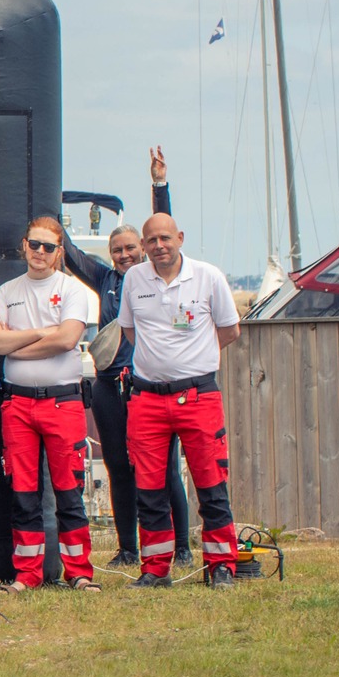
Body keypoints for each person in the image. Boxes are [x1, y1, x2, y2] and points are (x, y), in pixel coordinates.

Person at [63, 148, 186, 567]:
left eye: (131, 247)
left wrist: (159, 185)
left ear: (144, 249)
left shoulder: (151, 275)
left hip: (149, 385)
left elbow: (163, 226)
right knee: (118, 467)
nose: (124, 255)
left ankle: (182, 547)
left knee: (164, 468)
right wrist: (46, 202)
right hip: (109, 386)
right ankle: (128, 548)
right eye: (117, 250)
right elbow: (68, 251)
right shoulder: (104, 278)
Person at [118, 213, 242, 588]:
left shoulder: (208, 276)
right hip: (147, 398)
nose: (159, 246)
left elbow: (230, 330)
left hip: (198, 394)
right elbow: (130, 330)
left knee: (211, 482)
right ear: (144, 245)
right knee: (149, 488)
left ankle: (220, 565)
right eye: (152, 240)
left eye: (166, 238)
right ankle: (155, 568)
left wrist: (193, 359)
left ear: (180, 238)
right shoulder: (134, 279)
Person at [0, 216, 100, 592]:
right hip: (17, 404)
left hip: (62, 402)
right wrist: (39, 333)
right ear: (24, 245)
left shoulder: (72, 290)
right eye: (34, 244)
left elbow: (66, 340)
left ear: (59, 251)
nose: (39, 252)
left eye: (48, 247)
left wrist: (15, 343)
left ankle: (79, 571)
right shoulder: (6, 292)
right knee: (23, 493)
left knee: (69, 491)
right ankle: (27, 574)